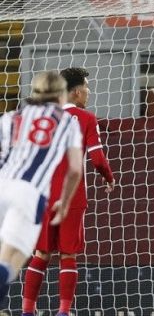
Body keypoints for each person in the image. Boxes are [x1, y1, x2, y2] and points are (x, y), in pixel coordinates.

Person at [21, 67, 115, 316]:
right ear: (75, 92)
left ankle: (27, 310)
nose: (89, 92)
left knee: (41, 253)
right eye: (87, 87)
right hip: (71, 196)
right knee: (68, 254)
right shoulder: (86, 119)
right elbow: (97, 158)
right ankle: (64, 312)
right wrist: (109, 177)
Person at [0, 71, 83, 306]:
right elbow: (75, 169)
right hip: (28, 194)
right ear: (62, 95)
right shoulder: (67, 121)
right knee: (9, 264)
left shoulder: (10, 118)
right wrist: (65, 202)